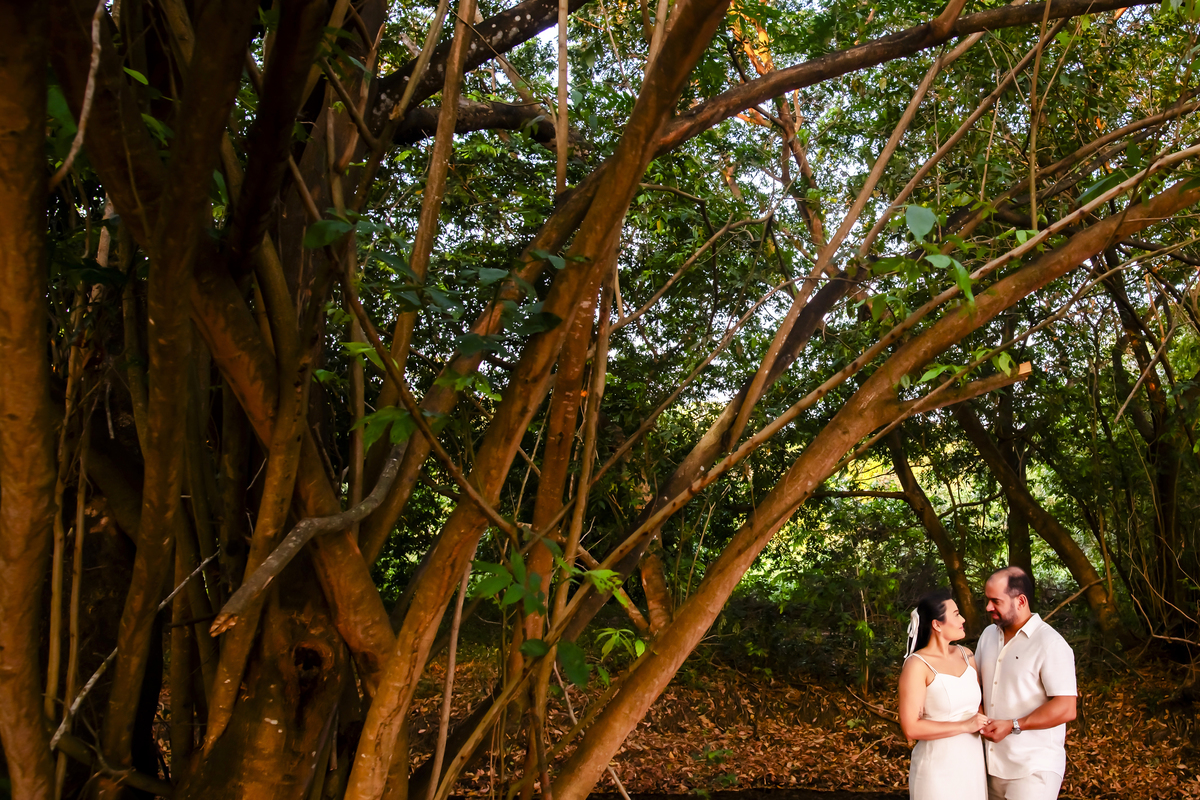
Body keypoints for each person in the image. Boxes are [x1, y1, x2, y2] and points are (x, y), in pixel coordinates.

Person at [977, 567, 1078, 800]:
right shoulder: (988, 636)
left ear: (1020, 601)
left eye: (995, 601)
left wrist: (1013, 724)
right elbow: (979, 688)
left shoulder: (1050, 643)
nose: (988, 607)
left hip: (1033, 768)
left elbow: (1066, 707)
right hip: (988, 765)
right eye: (987, 600)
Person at [898, 588, 989, 800]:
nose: (963, 619)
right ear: (937, 624)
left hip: (972, 764)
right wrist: (964, 726)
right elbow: (910, 728)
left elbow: (978, 706)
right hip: (937, 770)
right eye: (956, 614)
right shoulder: (917, 665)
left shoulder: (967, 655)